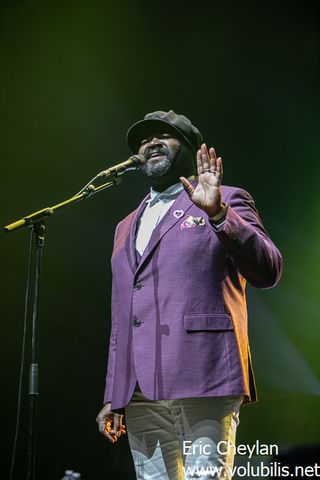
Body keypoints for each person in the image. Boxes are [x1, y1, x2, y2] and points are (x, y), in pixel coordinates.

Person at [96, 110, 282, 479]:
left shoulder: (226, 198)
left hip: (204, 368)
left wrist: (218, 214)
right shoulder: (125, 225)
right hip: (138, 388)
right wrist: (113, 392)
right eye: (143, 140)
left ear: (193, 148)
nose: (150, 143)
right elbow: (123, 314)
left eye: (163, 135)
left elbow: (268, 269)